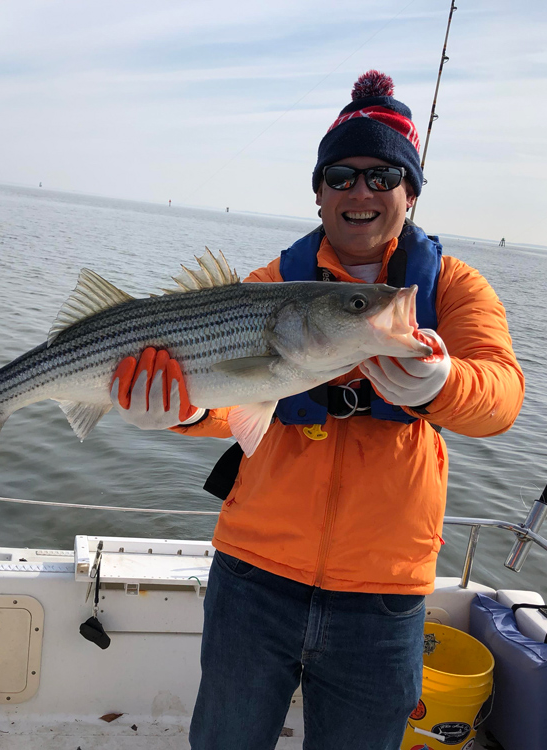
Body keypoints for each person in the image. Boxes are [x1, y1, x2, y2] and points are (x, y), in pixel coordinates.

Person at [109, 70, 525, 750]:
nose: (360, 191)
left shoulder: (452, 288)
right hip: (253, 576)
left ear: (410, 191)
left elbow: (502, 398)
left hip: (384, 594)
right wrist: (178, 412)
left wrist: (443, 383)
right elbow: (235, 404)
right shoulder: (271, 284)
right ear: (318, 191)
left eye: (383, 175)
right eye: (340, 175)